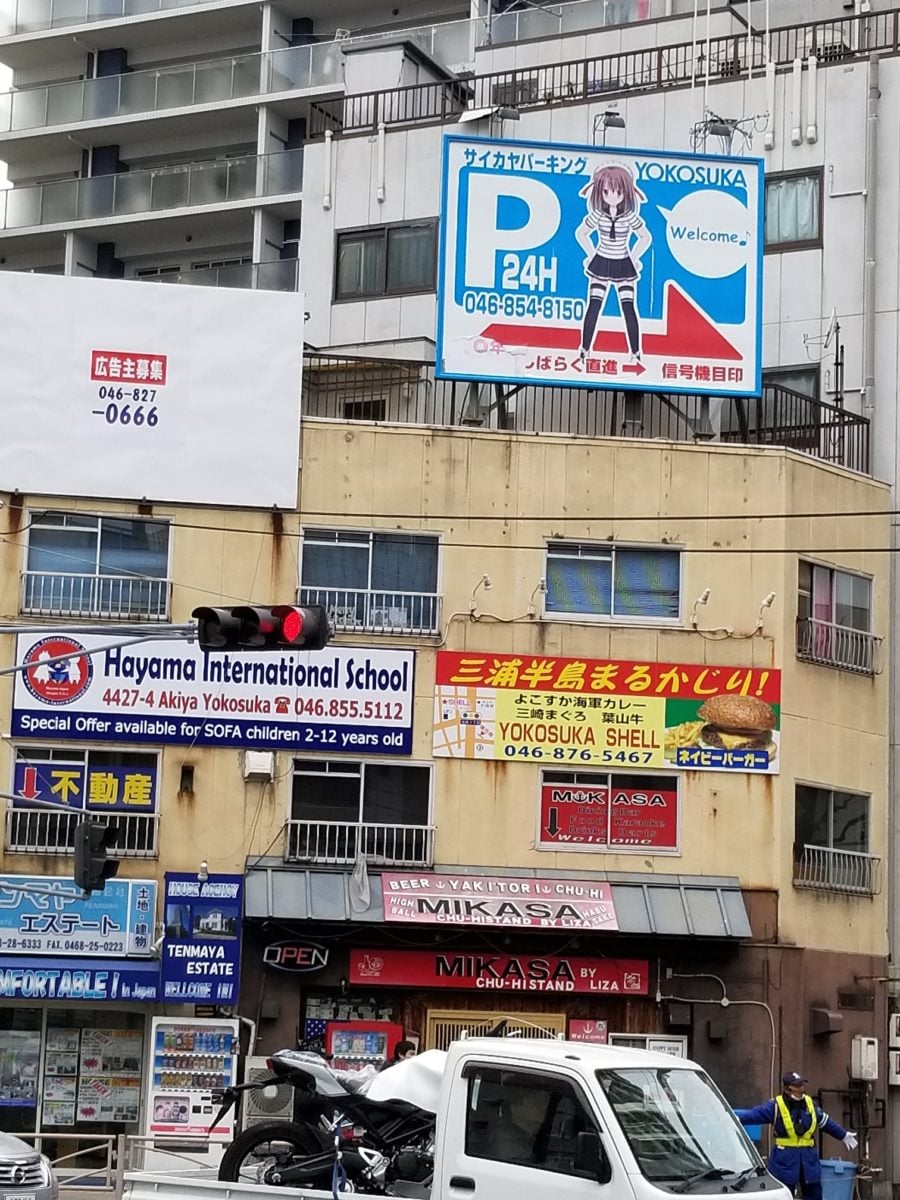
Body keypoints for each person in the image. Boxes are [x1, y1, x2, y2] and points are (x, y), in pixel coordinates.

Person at [734, 1071, 858, 1199]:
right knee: (783, 1195)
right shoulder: (776, 1106)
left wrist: (843, 1135)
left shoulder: (810, 1104)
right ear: (788, 1089)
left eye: (802, 1085)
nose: (802, 1089)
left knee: (814, 1195)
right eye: (798, 1086)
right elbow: (755, 1115)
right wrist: (734, 1117)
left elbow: (825, 1122)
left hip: (808, 1162)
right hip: (784, 1162)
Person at [574, 163, 652, 365]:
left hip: (624, 263)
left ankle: (635, 353)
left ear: (626, 192)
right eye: (607, 191)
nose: (612, 195)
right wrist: (592, 254)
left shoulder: (629, 217)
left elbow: (645, 237)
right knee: (594, 305)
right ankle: (584, 350)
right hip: (601, 261)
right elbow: (581, 233)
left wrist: (634, 257)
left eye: (618, 191)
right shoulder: (598, 215)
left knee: (628, 307)